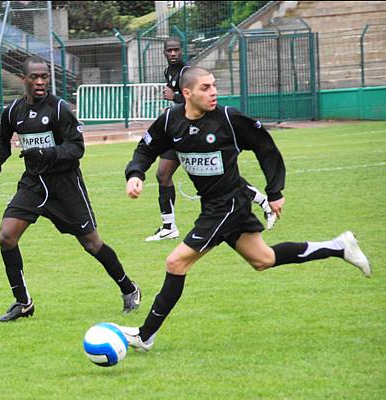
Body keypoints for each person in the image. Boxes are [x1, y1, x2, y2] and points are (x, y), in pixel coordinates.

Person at [115, 66, 371, 351]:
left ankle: (145, 335)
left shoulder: (228, 118)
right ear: (186, 93)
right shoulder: (170, 121)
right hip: (215, 205)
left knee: (176, 262)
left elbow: (265, 146)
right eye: (205, 88)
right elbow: (146, 149)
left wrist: (274, 191)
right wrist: (135, 174)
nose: (213, 92)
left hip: (228, 205)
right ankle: (339, 247)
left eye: (214, 86)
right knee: (263, 259)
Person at [0, 56, 141, 322]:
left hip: (65, 185)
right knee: (6, 237)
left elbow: (76, 148)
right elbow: (1, 142)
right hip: (34, 183)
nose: (41, 81)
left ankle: (129, 288)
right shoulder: (13, 112)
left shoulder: (59, 109)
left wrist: (46, 153)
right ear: (24, 79)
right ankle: (23, 302)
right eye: (35, 77)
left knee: (92, 243)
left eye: (45, 76)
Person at [147, 39, 275, 242]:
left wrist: (174, 98)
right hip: (179, 131)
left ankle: (264, 202)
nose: (173, 53)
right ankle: (168, 226)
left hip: (197, 131)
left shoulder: (186, 72)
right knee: (163, 174)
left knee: (220, 177)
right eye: (169, 50)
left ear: (182, 51)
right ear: (164, 53)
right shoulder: (168, 72)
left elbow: (193, 101)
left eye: (176, 50)